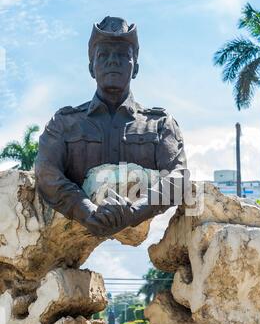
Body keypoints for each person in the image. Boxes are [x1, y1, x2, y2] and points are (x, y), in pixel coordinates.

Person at [35, 16, 188, 237]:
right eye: (103, 55)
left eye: (122, 55)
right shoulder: (63, 123)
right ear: (91, 68)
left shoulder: (161, 124)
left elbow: (178, 176)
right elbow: (46, 173)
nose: (113, 61)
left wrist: (133, 212)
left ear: (135, 68)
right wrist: (87, 211)